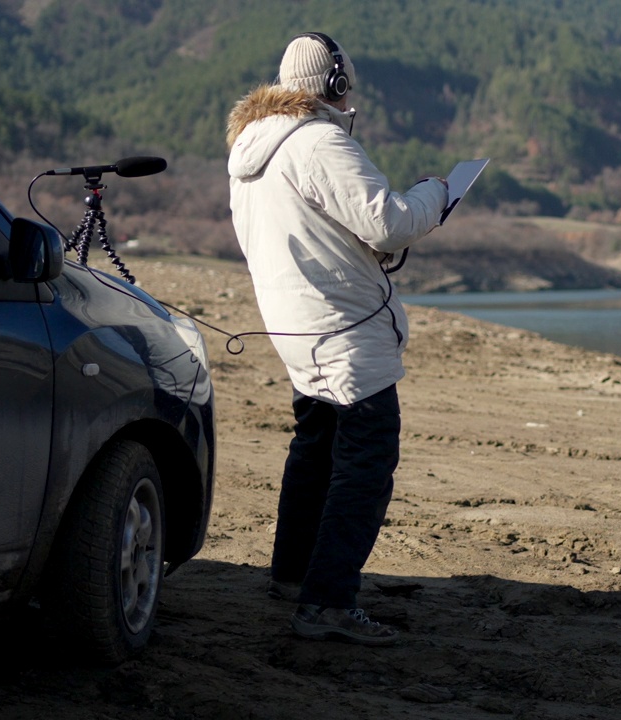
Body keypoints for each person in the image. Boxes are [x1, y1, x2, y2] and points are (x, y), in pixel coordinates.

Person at [225, 32, 448, 646]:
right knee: (366, 465)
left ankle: (294, 576)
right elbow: (391, 221)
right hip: (347, 333)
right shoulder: (318, 141)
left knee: (315, 448)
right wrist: (439, 192)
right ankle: (327, 603)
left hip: (297, 331)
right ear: (336, 85)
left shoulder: (249, 148)